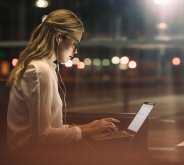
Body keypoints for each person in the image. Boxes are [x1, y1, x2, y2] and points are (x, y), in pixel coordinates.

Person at [6, 9, 119, 151]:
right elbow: (43, 136)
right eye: (74, 44)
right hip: (30, 156)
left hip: (35, 153)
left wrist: (89, 127)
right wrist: (87, 130)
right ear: (58, 38)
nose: (76, 51)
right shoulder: (40, 71)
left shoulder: (45, 68)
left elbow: (49, 129)